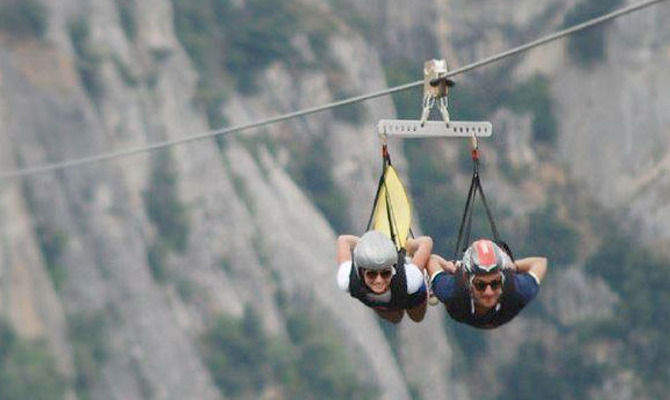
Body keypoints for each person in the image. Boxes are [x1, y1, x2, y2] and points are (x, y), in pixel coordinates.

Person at [427, 239, 547, 329]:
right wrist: (449, 267)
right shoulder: (451, 290)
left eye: (495, 283)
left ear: (503, 279)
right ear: (468, 283)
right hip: (462, 303)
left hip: (491, 311)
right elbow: (432, 260)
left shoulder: (517, 290)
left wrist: (514, 266)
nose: (488, 292)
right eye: (480, 285)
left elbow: (540, 262)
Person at [336, 230, 433, 323]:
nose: (379, 280)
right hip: (384, 303)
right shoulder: (347, 279)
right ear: (361, 272)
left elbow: (426, 242)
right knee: (395, 319)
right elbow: (343, 240)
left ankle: (425, 275)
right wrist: (368, 247)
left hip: (411, 296)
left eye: (385, 273)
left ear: (392, 271)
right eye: (371, 274)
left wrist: (410, 246)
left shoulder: (411, 279)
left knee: (417, 318)